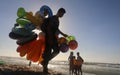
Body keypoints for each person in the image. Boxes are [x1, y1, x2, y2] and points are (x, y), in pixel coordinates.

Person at [41, 8, 68, 74]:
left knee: (50, 52)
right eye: (62, 13)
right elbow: (49, 27)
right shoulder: (54, 18)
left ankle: (44, 63)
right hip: (50, 37)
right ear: (59, 12)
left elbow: (56, 29)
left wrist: (63, 34)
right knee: (52, 51)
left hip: (52, 37)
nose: (62, 15)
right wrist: (50, 38)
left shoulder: (56, 19)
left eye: (63, 14)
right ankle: (45, 67)